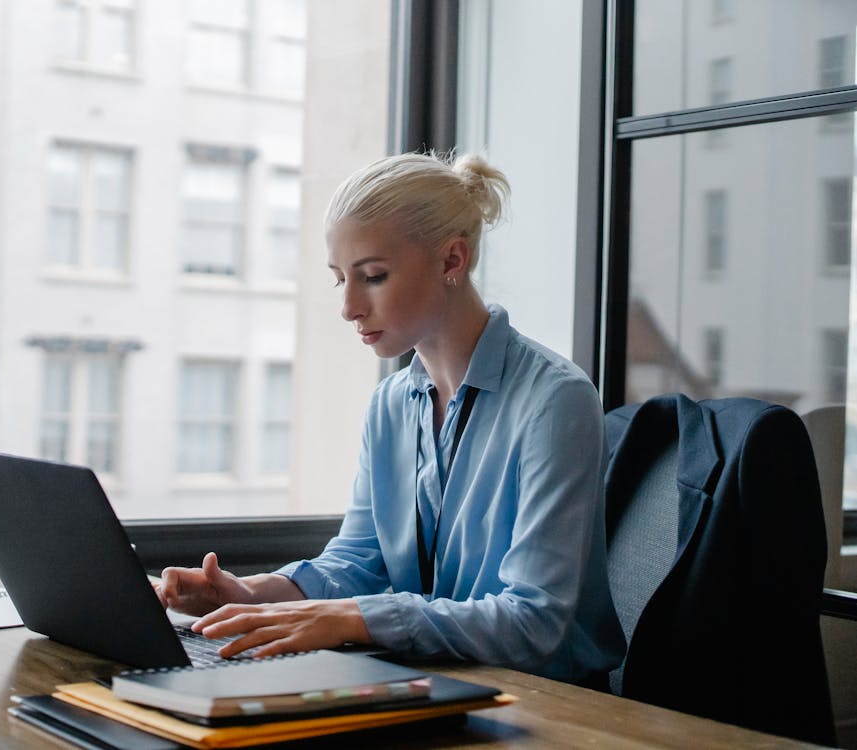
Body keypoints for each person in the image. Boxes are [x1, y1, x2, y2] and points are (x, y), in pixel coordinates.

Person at [156, 152, 625, 684]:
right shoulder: (390, 405)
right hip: (434, 682)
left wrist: (353, 619)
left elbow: (533, 622)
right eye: (340, 280)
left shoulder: (555, 401)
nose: (350, 307)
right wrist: (252, 594)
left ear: (452, 261)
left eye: (373, 277)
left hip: (550, 708)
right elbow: (359, 562)